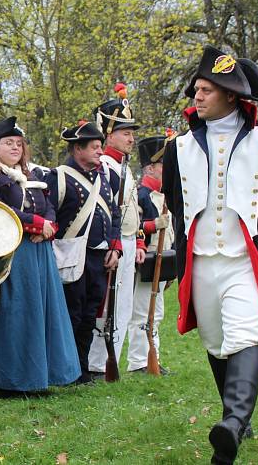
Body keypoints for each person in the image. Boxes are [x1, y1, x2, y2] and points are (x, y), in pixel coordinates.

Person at [162, 46, 258, 464]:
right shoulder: (179, 147)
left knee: (244, 335)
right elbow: (175, 197)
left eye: (206, 90)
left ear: (230, 94)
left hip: (246, 261)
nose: (197, 96)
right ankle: (237, 419)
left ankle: (232, 423)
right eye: (197, 89)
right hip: (203, 262)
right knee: (216, 341)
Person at [0, 117, 81, 396]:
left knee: (40, 312)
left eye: (19, 143)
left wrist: (50, 226)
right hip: (11, 253)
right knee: (14, 313)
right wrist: (34, 223)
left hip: (39, 253)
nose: (15, 147)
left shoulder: (35, 176)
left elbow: (50, 206)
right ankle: (8, 379)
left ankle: (40, 375)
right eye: (9, 143)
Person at [44, 121, 121, 385]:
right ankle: (65, 369)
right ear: (78, 149)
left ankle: (82, 368)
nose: (101, 151)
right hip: (71, 255)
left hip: (99, 257)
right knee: (71, 313)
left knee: (90, 314)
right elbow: (50, 213)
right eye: (95, 147)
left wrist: (115, 246)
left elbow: (115, 214)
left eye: (101, 146)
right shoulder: (59, 177)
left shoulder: (105, 177)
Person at [87, 84, 147, 379]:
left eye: (131, 133)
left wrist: (137, 239)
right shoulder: (106, 166)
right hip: (111, 243)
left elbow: (132, 210)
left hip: (124, 241)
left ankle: (112, 358)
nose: (131, 138)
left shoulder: (123, 166)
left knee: (121, 306)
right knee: (105, 306)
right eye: (125, 132)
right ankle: (97, 363)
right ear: (109, 134)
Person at [126, 134, 173, 373]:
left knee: (157, 311)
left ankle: (152, 357)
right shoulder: (140, 194)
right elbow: (134, 227)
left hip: (163, 259)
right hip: (146, 259)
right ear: (150, 168)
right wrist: (154, 225)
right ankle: (138, 361)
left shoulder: (167, 194)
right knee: (143, 311)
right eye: (164, 165)